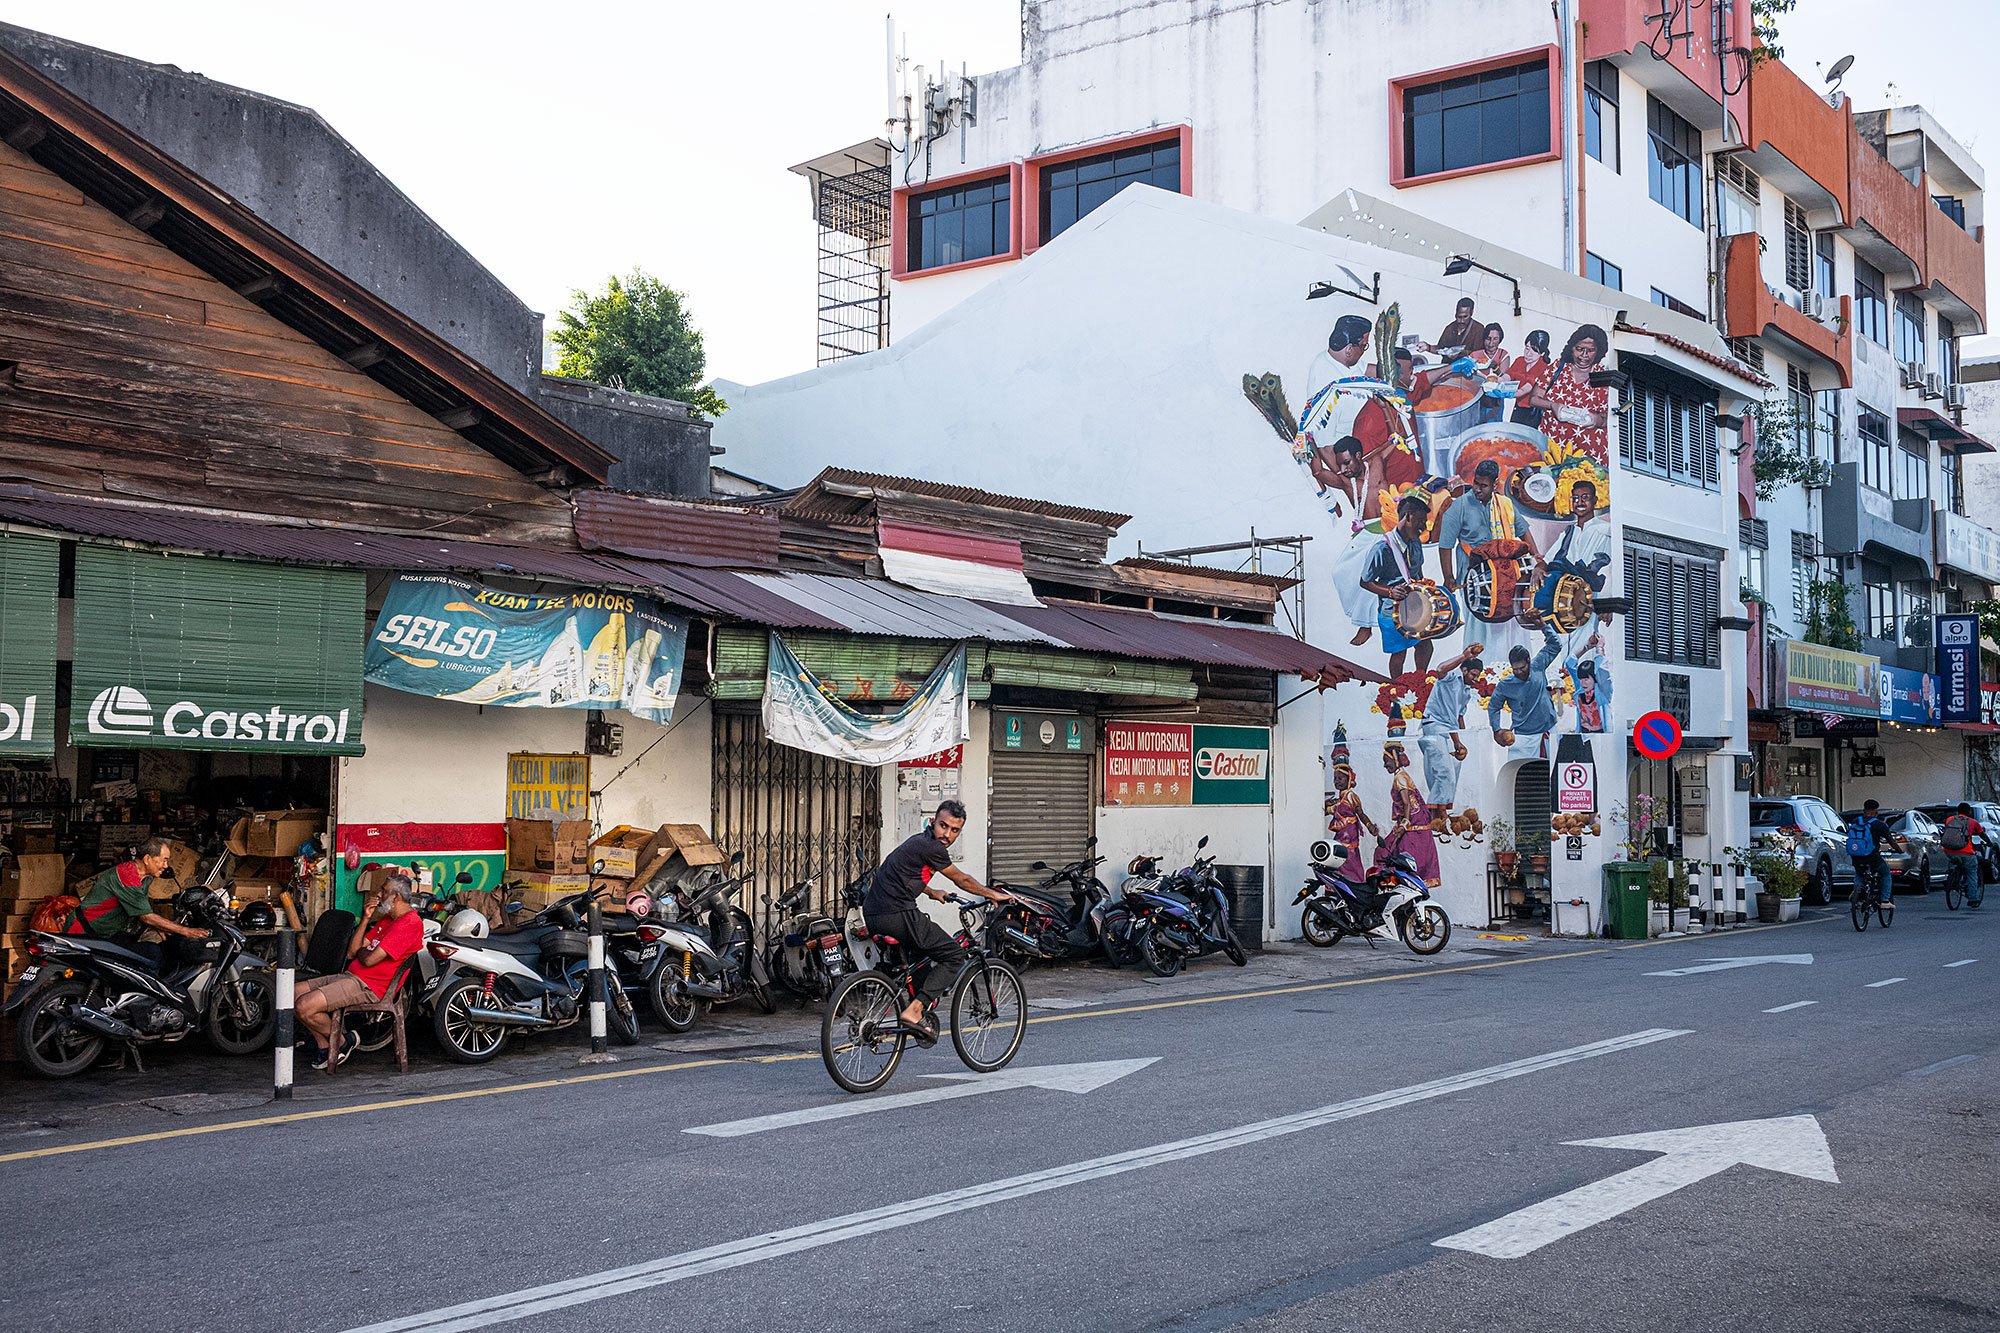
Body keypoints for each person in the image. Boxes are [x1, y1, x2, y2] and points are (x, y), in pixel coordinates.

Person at [862, 799, 1013, 1044]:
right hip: (898, 913)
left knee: (921, 956)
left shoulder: (917, 842)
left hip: (874, 915)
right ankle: (915, 1010)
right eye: (943, 826)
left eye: (955, 830)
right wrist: (992, 894)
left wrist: (932, 892)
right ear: (933, 822)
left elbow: (903, 874)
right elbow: (962, 879)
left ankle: (915, 1009)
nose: (947, 834)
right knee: (953, 955)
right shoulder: (932, 848)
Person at [295, 872, 425, 1069]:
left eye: (384, 890)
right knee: (292, 993)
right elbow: (352, 953)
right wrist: (365, 918)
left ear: (396, 896)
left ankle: (341, 1042)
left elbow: (369, 960)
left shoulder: (409, 924)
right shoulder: (386, 920)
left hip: (369, 987)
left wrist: (362, 953)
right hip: (352, 977)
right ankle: (326, 1045)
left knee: (304, 1006)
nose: (379, 894)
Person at [69, 836, 207, 967]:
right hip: (83, 931)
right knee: (152, 955)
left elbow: (141, 907)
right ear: (147, 859)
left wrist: (160, 927)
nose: (166, 866)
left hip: (107, 932)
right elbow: (146, 916)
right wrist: (186, 931)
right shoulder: (127, 876)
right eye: (164, 860)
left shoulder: (145, 878)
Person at [1360, 493, 1443, 678]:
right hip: (1392, 610)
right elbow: (1365, 581)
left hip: (1416, 608)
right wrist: (1390, 591)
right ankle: (1397, 688)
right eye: (1420, 521)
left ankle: (1419, 681)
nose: (1423, 527)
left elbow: (1418, 573)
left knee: (1425, 645)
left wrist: (1427, 586)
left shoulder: (1416, 544)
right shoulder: (1382, 548)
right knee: (1399, 653)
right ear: (1407, 517)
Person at [1437, 458, 1541, 591]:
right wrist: (1448, 577)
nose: (1477, 489)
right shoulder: (1459, 506)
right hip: (1472, 572)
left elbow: (1523, 530)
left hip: (1504, 570)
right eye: (1476, 483)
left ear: (1495, 484)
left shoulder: (1505, 503)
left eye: (1483, 486)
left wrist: (1536, 555)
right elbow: (1445, 545)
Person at [1528, 324, 1611, 467]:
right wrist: (1553, 405)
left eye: (1590, 350)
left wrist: (1596, 420)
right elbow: (1534, 399)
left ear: (1598, 352)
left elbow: (1609, 418)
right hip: (1552, 451)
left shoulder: (1603, 375)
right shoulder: (1558, 368)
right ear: (1571, 348)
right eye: (1579, 349)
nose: (1584, 355)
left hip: (1589, 456)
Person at [1418, 643, 1486, 810]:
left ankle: (1443, 811)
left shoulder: (1466, 692)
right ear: (1464, 670)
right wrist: (1464, 656)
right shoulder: (1452, 677)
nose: (1475, 679)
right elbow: (1440, 669)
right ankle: (1435, 814)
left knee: (1454, 767)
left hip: (1449, 731)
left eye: (1478, 676)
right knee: (1444, 772)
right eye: (1473, 674)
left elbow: (1458, 717)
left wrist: (1460, 742)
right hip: (1434, 726)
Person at [1487, 626, 1563, 756]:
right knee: (1520, 769)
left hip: (1549, 732)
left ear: (1528, 660)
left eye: (1522, 668)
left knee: (1553, 768)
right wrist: (1496, 730)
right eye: (1515, 669)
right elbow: (1493, 706)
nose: (1518, 672)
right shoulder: (1505, 685)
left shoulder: (1538, 665)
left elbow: (1555, 645)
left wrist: (1543, 626)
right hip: (1523, 738)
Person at [1845, 800, 1900, 907]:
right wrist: (1899, 850)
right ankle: (1885, 901)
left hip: (1855, 855)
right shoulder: (1879, 824)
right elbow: (1891, 841)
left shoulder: (1855, 821)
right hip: (1872, 856)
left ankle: (1857, 890)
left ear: (1864, 810)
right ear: (1876, 812)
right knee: (1885, 873)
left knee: (1859, 873)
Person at [1940, 801, 1992, 908]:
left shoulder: (1949, 820)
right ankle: (1973, 899)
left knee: (1955, 862)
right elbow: (1982, 835)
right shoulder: (1973, 822)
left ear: (1958, 811)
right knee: (1972, 872)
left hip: (1949, 851)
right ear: (1969, 811)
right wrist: (1989, 843)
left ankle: (1951, 879)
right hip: (1966, 853)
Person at [1507, 331, 1554, 428]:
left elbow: (1524, 390)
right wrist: (1495, 381)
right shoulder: (1520, 361)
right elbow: (1508, 375)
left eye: (1534, 351)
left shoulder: (1544, 368)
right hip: (1518, 406)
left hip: (1532, 412)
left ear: (1542, 353)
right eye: (1527, 348)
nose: (1528, 354)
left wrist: (1505, 393)